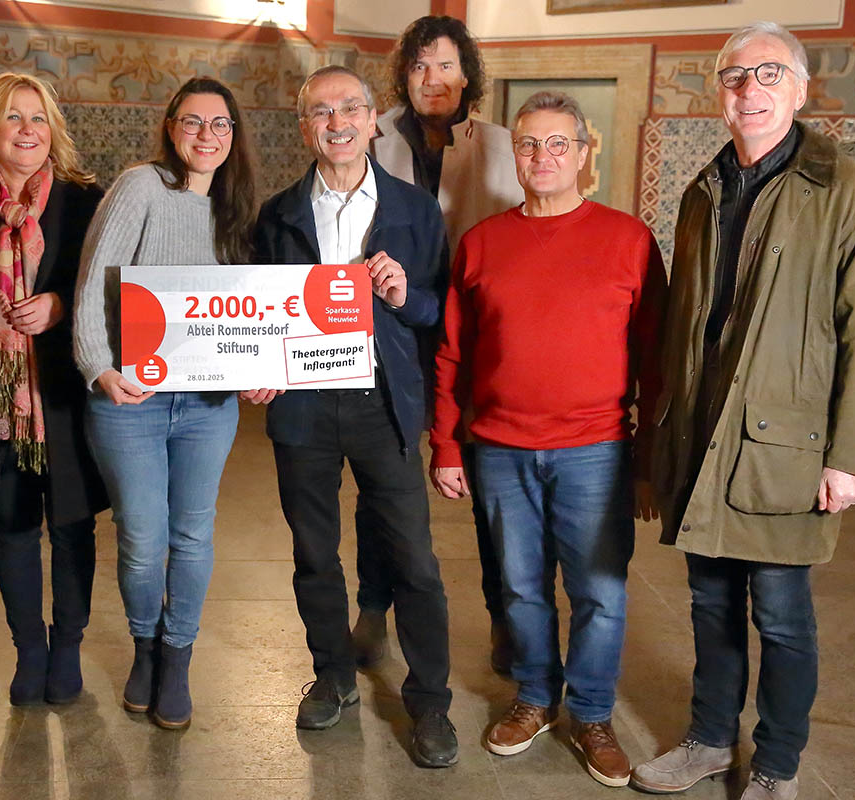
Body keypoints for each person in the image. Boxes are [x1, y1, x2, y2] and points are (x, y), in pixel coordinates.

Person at [631, 22, 855, 800]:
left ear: (802, 89)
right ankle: (711, 739)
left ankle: (777, 764)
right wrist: (660, 443)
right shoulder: (701, 189)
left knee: (781, 616)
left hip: (786, 442)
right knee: (710, 604)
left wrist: (852, 457)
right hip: (706, 436)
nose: (749, 90)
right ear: (719, 92)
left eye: (769, 74)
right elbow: (685, 324)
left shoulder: (845, 185)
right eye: (735, 76)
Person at [429, 90, 665, 786]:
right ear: (515, 153)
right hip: (499, 448)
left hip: (597, 449)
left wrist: (648, 461)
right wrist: (446, 444)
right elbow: (451, 355)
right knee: (522, 589)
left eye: (560, 143)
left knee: (600, 590)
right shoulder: (480, 243)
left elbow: (655, 359)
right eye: (530, 143)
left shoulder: (629, 241)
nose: (543, 156)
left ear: (585, 155)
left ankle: (591, 712)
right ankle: (534, 698)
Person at [251, 65, 457, 768]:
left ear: (373, 120)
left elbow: (437, 313)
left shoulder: (415, 209)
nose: (335, 122)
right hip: (303, 410)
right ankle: (332, 673)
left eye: (349, 109)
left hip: (383, 403)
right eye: (319, 111)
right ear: (304, 125)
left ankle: (430, 702)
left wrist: (405, 295)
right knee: (314, 553)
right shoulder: (277, 214)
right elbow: (255, 316)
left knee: (415, 561)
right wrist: (256, 369)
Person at [72, 76, 257, 730]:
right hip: (134, 399)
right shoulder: (140, 187)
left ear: (234, 137)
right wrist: (99, 366)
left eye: (221, 125)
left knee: (193, 533)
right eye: (193, 122)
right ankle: (145, 645)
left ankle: (177, 656)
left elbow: (248, 316)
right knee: (144, 539)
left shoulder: (238, 209)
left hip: (208, 406)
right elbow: (94, 282)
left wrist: (261, 368)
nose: (207, 136)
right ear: (170, 125)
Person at [357, 14, 525, 674]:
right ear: (404, 74)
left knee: (492, 489)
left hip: (477, 341)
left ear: (468, 76)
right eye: (422, 65)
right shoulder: (373, 141)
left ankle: (506, 620)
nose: (434, 79)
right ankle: (373, 610)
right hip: (393, 335)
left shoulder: (503, 145)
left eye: (447, 65)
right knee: (384, 482)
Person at [0, 72, 109, 706]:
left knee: (71, 524)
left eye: (37, 119)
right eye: (12, 117)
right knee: (11, 526)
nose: (26, 130)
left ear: (53, 131)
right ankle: (29, 651)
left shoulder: (82, 200)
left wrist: (61, 305)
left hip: (64, 396)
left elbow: (112, 283)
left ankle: (67, 647)